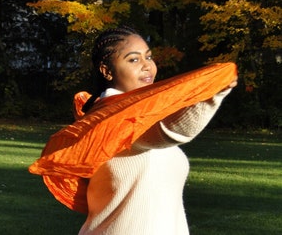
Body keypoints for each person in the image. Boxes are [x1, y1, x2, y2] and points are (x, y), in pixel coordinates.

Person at [29, 26, 237, 235]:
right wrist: (213, 93)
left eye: (149, 57)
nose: (147, 66)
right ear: (106, 70)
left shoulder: (140, 113)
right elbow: (173, 131)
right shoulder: (113, 119)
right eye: (133, 60)